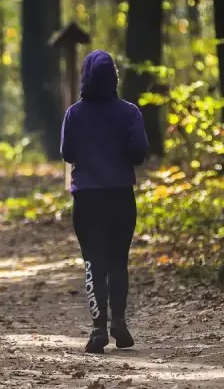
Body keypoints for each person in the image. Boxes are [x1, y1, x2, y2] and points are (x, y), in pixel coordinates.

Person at [60, 50, 149, 354]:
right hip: (120, 196)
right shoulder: (129, 112)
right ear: (114, 76)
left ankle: (98, 328)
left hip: (86, 198)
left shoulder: (74, 113)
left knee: (92, 262)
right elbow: (139, 151)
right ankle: (120, 323)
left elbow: (67, 153)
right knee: (118, 261)